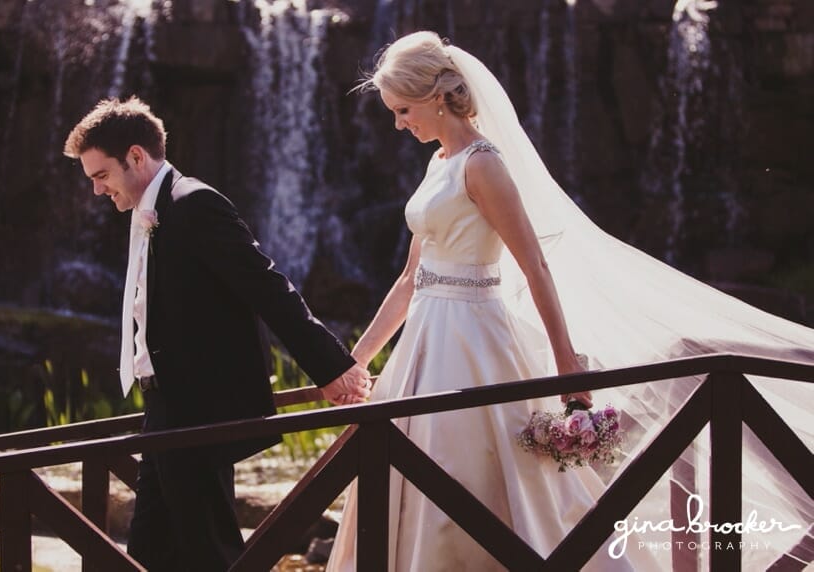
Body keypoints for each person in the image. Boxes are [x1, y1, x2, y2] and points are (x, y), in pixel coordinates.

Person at [327, 31, 812, 570]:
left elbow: (534, 266)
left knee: (479, 477)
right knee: (403, 471)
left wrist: (566, 367)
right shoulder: (437, 162)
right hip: (423, 340)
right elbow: (411, 276)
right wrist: (359, 357)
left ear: (435, 97)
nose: (398, 123)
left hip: (475, 340)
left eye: (402, 109)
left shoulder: (483, 163)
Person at [63, 97, 372, 570]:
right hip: (165, 408)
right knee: (149, 551)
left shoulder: (194, 204)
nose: (97, 191)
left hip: (198, 411)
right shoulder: (156, 211)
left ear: (137, 157)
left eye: (101, 175)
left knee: (210, 553)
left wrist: (333, 367)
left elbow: (268, 288)